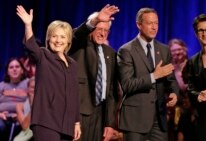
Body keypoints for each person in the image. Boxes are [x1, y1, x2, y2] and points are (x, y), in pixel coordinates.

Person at [16, 5, 81, 141]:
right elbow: (31, 45)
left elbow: (75, 95)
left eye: (62, 37)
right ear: (48, 38)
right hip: (46, 121)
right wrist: (28, 25)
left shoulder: (73, 64)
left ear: (68, 40)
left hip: (67, 124)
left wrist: (76, 122)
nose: (58, 41)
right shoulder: (43, 55)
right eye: (54, 36)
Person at [117, 8, 179, 141]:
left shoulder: (164, 50)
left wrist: (174, 93)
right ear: (139, 25)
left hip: (159, 119)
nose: (154, 27)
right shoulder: (126, 51)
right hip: (135, 119)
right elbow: (127, 85)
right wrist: (154, 76)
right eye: (150, 23)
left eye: (156, 23)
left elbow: (171, 79)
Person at [68, 4, 119, 141]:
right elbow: (76, 35)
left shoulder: (111, 53)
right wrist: (95, 20)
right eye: (99, 29)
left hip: (100, 114)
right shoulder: (78, 44)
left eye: (106, 31)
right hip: (79, 113)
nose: (103, 33)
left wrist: (109, 123)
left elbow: (111, 91)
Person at [0, 58, 29, 140]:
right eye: (11, 67)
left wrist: (21, 114)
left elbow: (34, 104)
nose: (14, 69)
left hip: (24, 118)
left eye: (17, 66)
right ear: (7, 71)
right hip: (3, 118)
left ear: (22, 70)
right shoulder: (1, 86)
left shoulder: (29, 84)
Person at [14, 76, 35, 141]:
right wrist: (33, 105)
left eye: (38, 87)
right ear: (27, 89)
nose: (35, 89)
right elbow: (25, 126)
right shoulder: (20, 106)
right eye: (32, 87)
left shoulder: (47, 104)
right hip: (28, 133)